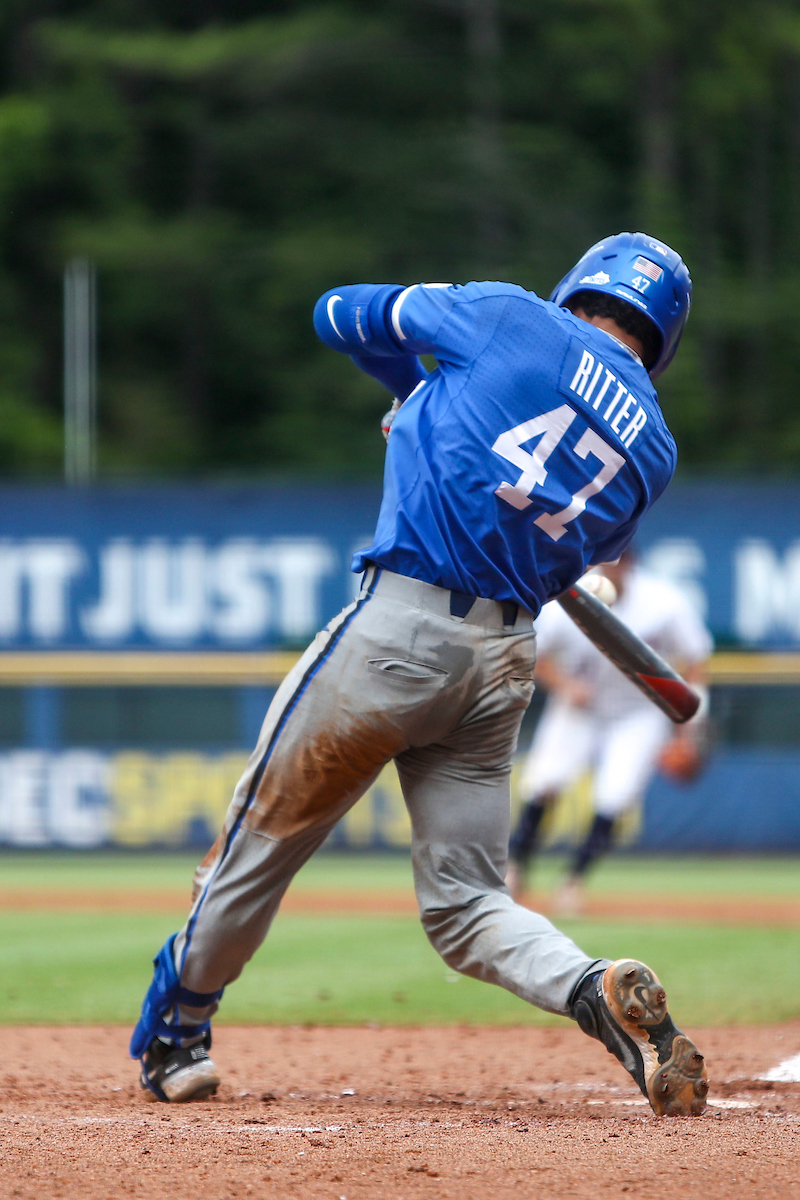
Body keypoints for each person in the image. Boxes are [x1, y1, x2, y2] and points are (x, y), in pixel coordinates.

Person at [130, 232, 708, 1117]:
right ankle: (591, 985)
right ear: (661, 337)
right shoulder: (656, 452)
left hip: (396, 633)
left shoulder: (510, 317)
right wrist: (433, 399)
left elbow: (335, 313)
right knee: (469, 904)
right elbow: (562, 558)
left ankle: (178, 1038)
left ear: (578, 285)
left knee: (258, 848)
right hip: (502, 666)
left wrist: (416, 386)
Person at [507, 550, 712, 916]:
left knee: (615, 797)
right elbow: (532, 653)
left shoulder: (663, 601)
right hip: (581, 707)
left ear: (630, 564)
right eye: (598, 561)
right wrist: (566, 685)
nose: (603, 569)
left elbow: (696, 658)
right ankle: (516, 870)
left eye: (613, 561)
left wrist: (690, 727)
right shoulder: (570, 597)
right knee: (543, 782)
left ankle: (573, 881)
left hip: (639, 711)